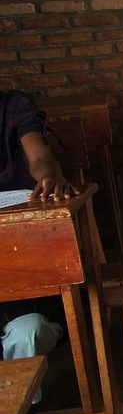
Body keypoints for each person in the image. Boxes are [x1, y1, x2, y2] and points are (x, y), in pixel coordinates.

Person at [0, 90, 72, 388]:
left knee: (29, 329)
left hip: (23, 251)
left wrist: (48, 177)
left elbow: (39, 156)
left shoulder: (12, 106)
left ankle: (24, 409)